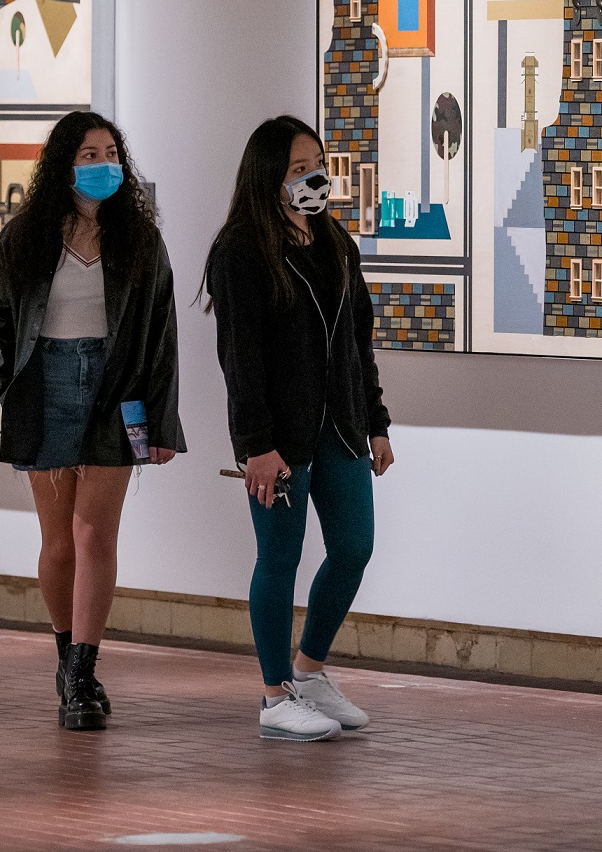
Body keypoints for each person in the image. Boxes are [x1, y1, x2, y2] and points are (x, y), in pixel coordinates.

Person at [0, 110, 183, 732]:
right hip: (44, 384)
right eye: (89, 154)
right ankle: (66, 658)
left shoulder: (142, 241)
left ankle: (86, 674)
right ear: (64, 163)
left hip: (116, 389)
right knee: (58, 539)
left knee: (96, 536)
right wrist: (5, 379)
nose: (103, 165)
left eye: (112, 153)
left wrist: (162, 424)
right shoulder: (26, 236)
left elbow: (162, 336)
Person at [205, 115, 395, 742]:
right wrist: (254, 446)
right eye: (296, 168)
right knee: (279, 559)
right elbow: (240, 357)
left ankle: (310, 670)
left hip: (339, 429)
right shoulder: (240, 250)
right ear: (268, 177)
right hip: (277, 442)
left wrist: (376, 424)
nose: (313, 177)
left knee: (354, 546)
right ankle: (274, 691)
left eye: (316, 163)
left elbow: (356, 345)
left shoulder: (336, 243)